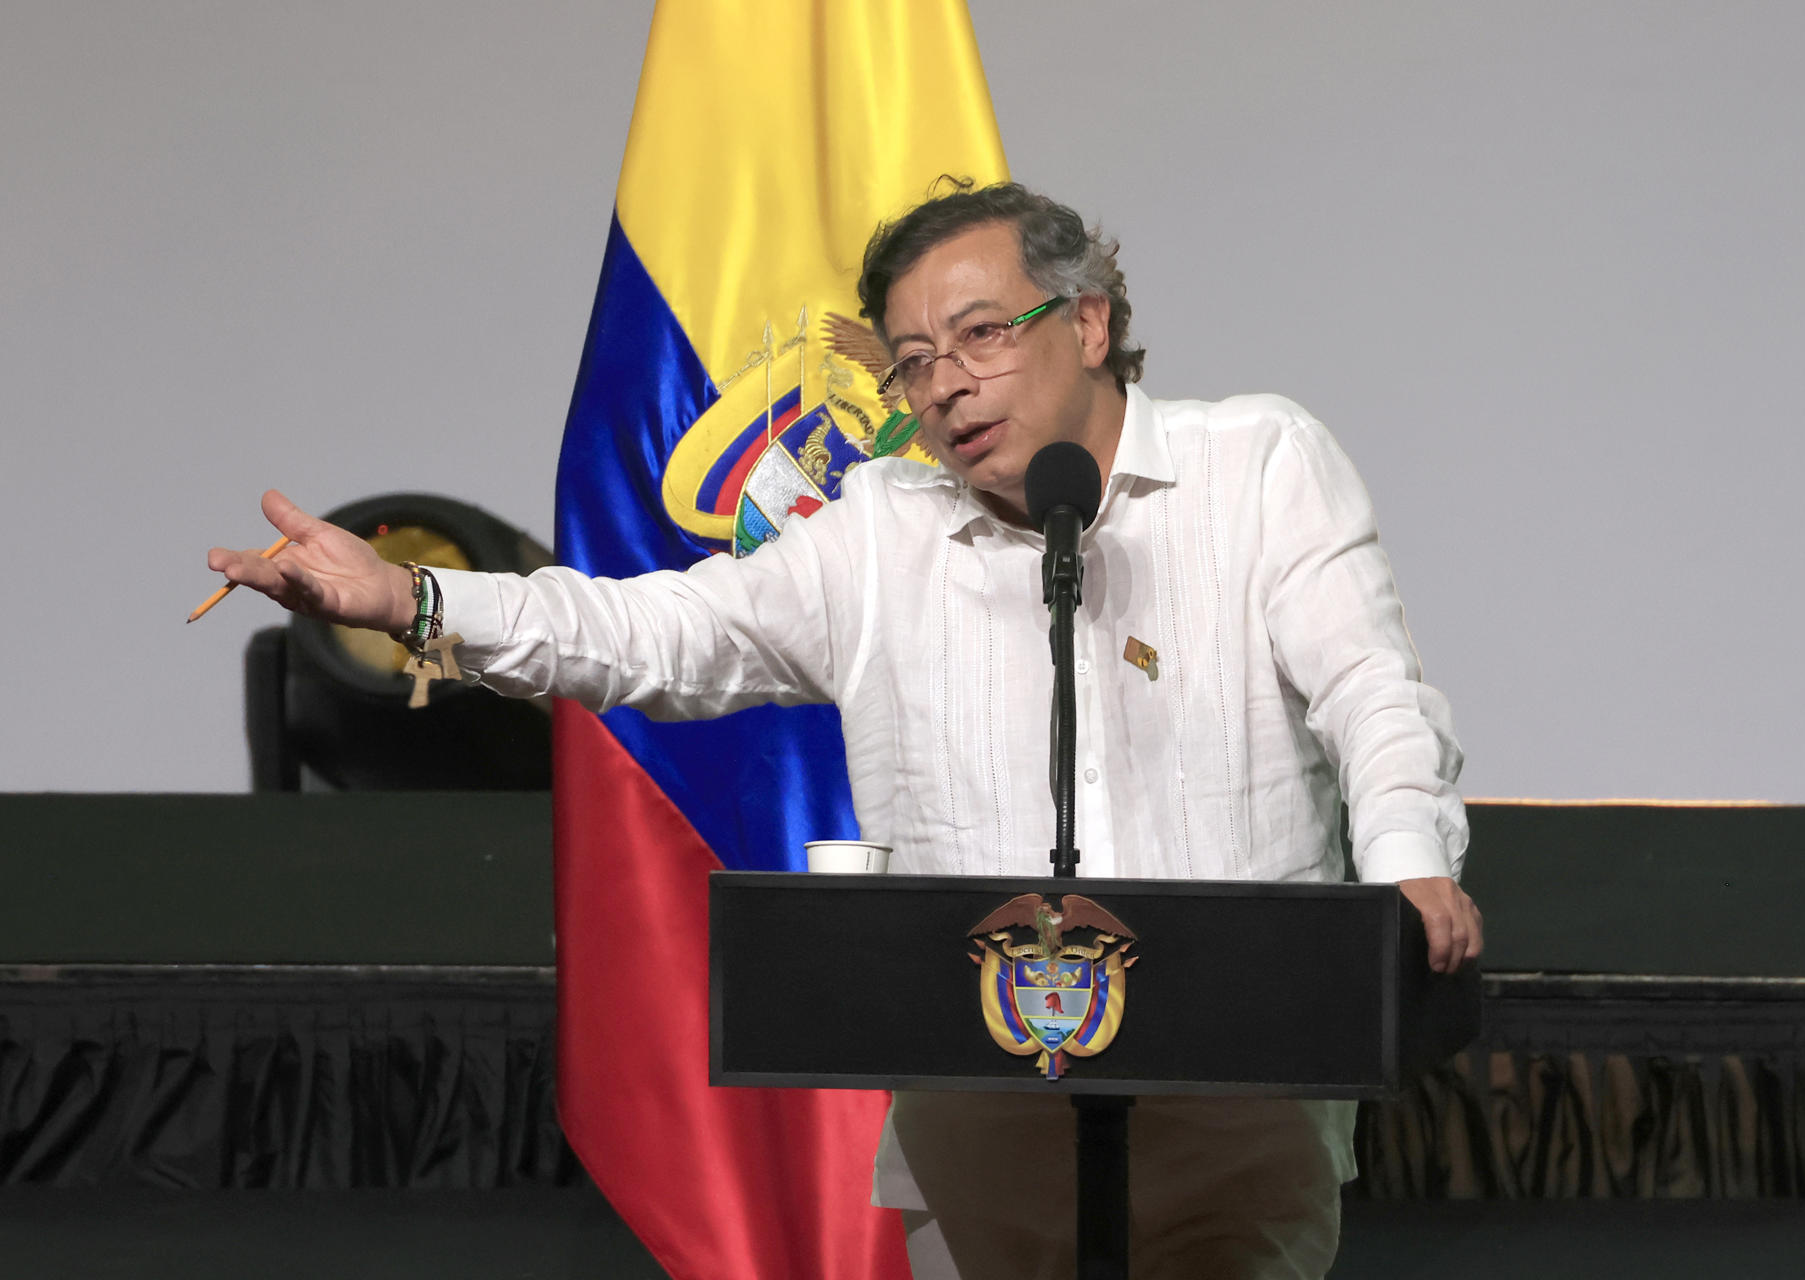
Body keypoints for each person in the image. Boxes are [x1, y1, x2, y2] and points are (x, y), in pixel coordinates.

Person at [209, 182, 1481, 1280]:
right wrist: (414, 599)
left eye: (981, 333)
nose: (947, 383)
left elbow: (1370, 684)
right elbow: (652, 633)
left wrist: (1406, 852)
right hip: (982, 1101)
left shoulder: (1255, 465)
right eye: (915, 359)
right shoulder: (880, 532)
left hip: (1241, 1077)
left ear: (1088, 321)